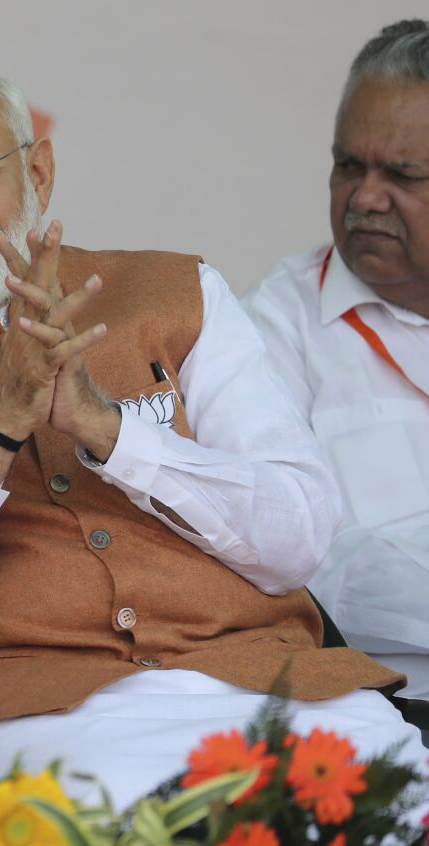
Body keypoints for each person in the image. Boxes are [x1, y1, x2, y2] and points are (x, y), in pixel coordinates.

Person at [0, 52, 424, 807]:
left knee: (398, 795)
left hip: (282, 688)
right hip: (36, 717)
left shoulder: (180, 293)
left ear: (39, 173)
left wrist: (110, 429)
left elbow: (297, 539)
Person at [244, 21, 429, 698]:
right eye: (349, 166)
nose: (364, 198)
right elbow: (308, 560)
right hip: (386, 718)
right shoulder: (268, 328)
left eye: (402, 175)